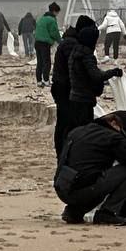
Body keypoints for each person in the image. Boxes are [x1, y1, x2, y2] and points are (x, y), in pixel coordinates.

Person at [53, 112, 126, 225]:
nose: (121, 133)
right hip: (83, 189)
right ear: (113, 123)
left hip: (61, 187)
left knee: (92, 177)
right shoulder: (113, 137)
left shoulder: (77, 131)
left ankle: (74, 211)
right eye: (120, 129)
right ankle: (108, 212)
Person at [68, 19, 122, 135]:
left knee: (77, 130)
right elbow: (96, 76)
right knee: (85, 132)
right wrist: (113, 72)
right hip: (84, 99)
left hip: (74, 96)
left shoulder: (75, 52)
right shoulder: (86, 55)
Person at [51, 16, 94, 154]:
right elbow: (75, 69)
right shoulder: (71, 44)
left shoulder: (70, 41)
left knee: (65, 122)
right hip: (64, 88)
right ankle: (62, 152)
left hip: (62, 87)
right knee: (65, 122)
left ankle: (64, 151)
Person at [33, 2, 62, 87]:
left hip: (37, 42)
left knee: (40, 62)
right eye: (57, 12)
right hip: (44, 43)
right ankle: (46, 80)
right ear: (54, 11)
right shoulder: (52, 20)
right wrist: (61, 41)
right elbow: (54, 33)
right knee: (47, 62)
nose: (57, 14)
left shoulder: (41, 18)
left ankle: (39, 81)